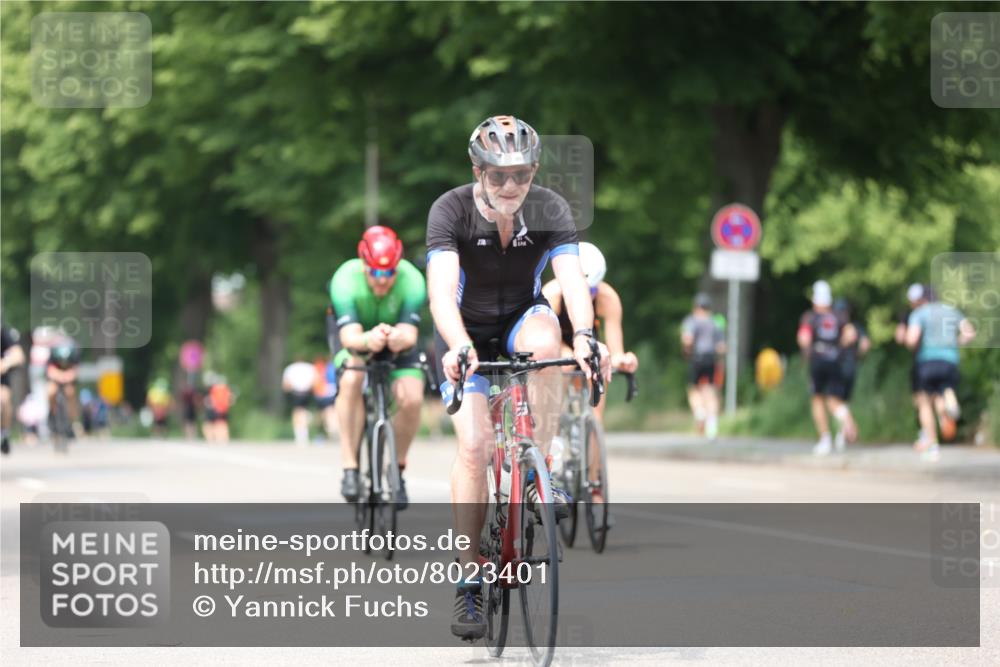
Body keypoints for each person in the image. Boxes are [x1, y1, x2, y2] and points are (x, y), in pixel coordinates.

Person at [426, 115, 609, 640]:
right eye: (499, 175)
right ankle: (468, 579)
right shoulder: (450, 210)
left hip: (519, 323)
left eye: (522, 175)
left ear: (534, 172)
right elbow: (441, 293)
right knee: (475, 447)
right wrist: (458, 345)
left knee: (550, 344)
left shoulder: (550, 208)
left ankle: (537, 470)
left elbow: (571, 281)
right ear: (477, 171)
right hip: (463, 332)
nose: (511, 186)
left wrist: (587, 337)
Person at [329, 225, 426, 508]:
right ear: (363, 265)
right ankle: (350, 467)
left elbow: (410, 335)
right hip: (356, 337)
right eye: (375, 272)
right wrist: (367, 340)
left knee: (412, 397)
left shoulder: (412, 280)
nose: (382, 280)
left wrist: (397, 338)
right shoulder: (345, 279)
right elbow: (349, 337)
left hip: (395, 339)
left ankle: (396, 469)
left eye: (389, 272)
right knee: (351, 379)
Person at [905, 288, 976, 459]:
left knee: (924, 402)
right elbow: (969, 332)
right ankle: (948, 401)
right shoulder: (952, 311)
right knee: (940, 393)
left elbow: (912, 339)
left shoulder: (919, 313)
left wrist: (911, 345)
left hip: (927, 360)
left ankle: (932, 444)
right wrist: (957, 342)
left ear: (923, 299)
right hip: (950, 360)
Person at [797, 280, 858, 455]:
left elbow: (803, 338)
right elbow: (851, 335)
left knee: (817, 399)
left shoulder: (810, 317)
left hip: (817, 361)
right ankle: (846, 417)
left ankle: (825, 438)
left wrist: (807, 352)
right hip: (835, 361)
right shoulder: (839, 316)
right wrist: (839, 346)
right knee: (834, 399)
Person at [680, 293, 726, 440]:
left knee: (694, 389)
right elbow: (721, 347)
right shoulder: (715, 322)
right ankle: (712, 425)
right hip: (711, 359)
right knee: (710, 391)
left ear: (696, 307)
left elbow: (688, 339)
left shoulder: (691, 321)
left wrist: (686, 351)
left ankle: (700, 413)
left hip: (696, 358)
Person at [895, 283, 928, 442]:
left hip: (921, 360)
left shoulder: (911, 315)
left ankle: (926, 432)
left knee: (922, 399)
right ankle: (930, 428)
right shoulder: (933, 312)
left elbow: (902, 338)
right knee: (929, 397)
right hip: (936, 359)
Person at [834, 298, 870, 403]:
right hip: (850, 365)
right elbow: (865, 344)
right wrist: (858, 355)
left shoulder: (834, 327)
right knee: (844, 399)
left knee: (834, 399)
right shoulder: (855, 326)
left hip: (837, 366)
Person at [46, 341, 83, 439]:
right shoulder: (53, 355)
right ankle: (52, 413)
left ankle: (73, 420)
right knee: (51, 391)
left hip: (68, 378)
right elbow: (50, 371)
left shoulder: (75, 355)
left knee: (70, 392)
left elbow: (76, 371)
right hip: (56, 377)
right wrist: (60, 376)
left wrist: (67, 376)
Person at [1, 323, 26, 454]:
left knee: (3, 400)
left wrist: (5, 363)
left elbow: (18, 355)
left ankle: (4, 433)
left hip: (1, 379)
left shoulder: (2, 331)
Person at [282, 358, 317, 446]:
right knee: (303, 411)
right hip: (306, 391)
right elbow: (315, 381)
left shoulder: (290, 367)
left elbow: (286, 383)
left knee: (297, 412)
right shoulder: (309, 367)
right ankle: (304, 432)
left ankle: (299, 433)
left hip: (295, 392)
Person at [202, 374, 233, 443]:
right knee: (223, 423)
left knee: (218, 423)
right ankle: (223, 438)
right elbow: (230, 398)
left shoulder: (214, 389)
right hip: (224, 408)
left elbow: (212, 399)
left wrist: (211, 405)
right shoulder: (225, 388)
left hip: (217, 408)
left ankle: (217, 437)